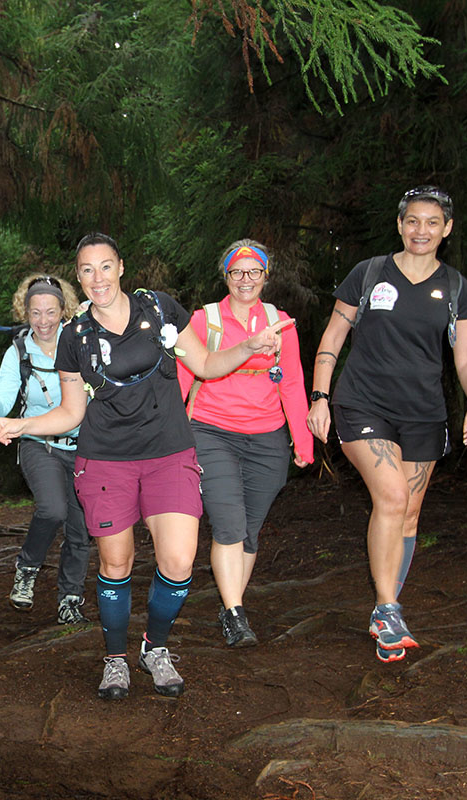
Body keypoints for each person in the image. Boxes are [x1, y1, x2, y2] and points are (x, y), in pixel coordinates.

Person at [0, 233, 291, 700]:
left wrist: (249, 347)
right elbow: (71, 412)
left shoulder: (159, 309)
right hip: (106, 459)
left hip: (170, 453)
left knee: (178, 562)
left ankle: (155, 647)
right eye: (87, 270)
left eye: (105, 266)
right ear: (78, 277)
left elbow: (206, 364)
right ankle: (115, 658)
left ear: (121, 267)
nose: (97, 278)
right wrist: (21, 425)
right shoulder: (74, 336)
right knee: (116, 561)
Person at [306, 186, 467, 664]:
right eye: (412, 221)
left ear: (447, 229)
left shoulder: (455, 288)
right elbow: (333, 335)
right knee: (391, 497)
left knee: (407, 514)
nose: (421, 230)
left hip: (424, 413)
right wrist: (320, 396)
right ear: (400, 225)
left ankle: (386, 613)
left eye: (432, 222)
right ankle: (388, 610)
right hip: (362, 404)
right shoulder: (369, 274)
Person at [177, 239, 313, 647]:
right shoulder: (204, 320)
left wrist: (302, 439)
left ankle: (230, 603)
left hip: (267, 437)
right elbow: (182, 378)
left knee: (249, 531)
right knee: (229, 524)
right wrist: (168, 435)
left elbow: (291, 382)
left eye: (254, 271)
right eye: (237, 272)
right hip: (211, 430)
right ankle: (236, 615)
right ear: (226, 276)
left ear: (266, 276)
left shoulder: (281, 323)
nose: (245, 280)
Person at [0, 274, 92, 624]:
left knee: (81, 526)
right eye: (35, 313)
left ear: (63, 310)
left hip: (85, 446)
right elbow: (2, 406)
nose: (43, 321)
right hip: (38, 444)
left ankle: (70, 598)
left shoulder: (80, 341)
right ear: (24, 313)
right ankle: (27, 568)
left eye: (51, 312)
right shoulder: (18, 352)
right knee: (53, 509)